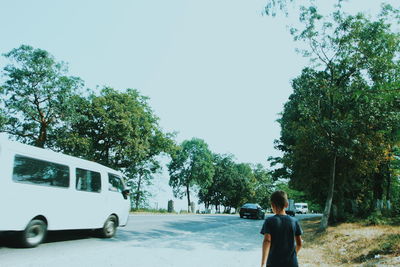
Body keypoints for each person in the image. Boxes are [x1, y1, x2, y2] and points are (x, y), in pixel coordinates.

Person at [260, 190, 303, 267]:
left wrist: (263, 263)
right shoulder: (294, 221)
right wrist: (292, 256)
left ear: (272, 205)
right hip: (291, 263)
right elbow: (299, 244)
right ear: (286, 204)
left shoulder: (269, 221)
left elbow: (267, 241)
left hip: (274, 263)